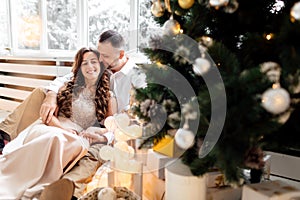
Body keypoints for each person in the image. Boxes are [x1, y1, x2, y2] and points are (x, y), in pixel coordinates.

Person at [0, 29, 147, 198]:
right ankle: (4, 135)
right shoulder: (98, 65)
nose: (99, 59)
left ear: (121, 54)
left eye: (104, 56)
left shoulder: (137, 79)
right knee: (42, 92)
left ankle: (65, 190)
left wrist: (104, 135)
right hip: (77, 119)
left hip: (107, 129)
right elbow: (65, 79)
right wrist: (51, 96)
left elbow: (131, 120)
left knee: (95, 152)